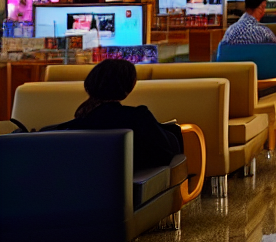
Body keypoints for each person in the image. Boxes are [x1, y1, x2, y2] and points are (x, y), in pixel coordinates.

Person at [43, 58, 183, 171]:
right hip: (131, 184)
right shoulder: (138, 117)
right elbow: (164, 155)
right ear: (129, 86)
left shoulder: (74, 125)